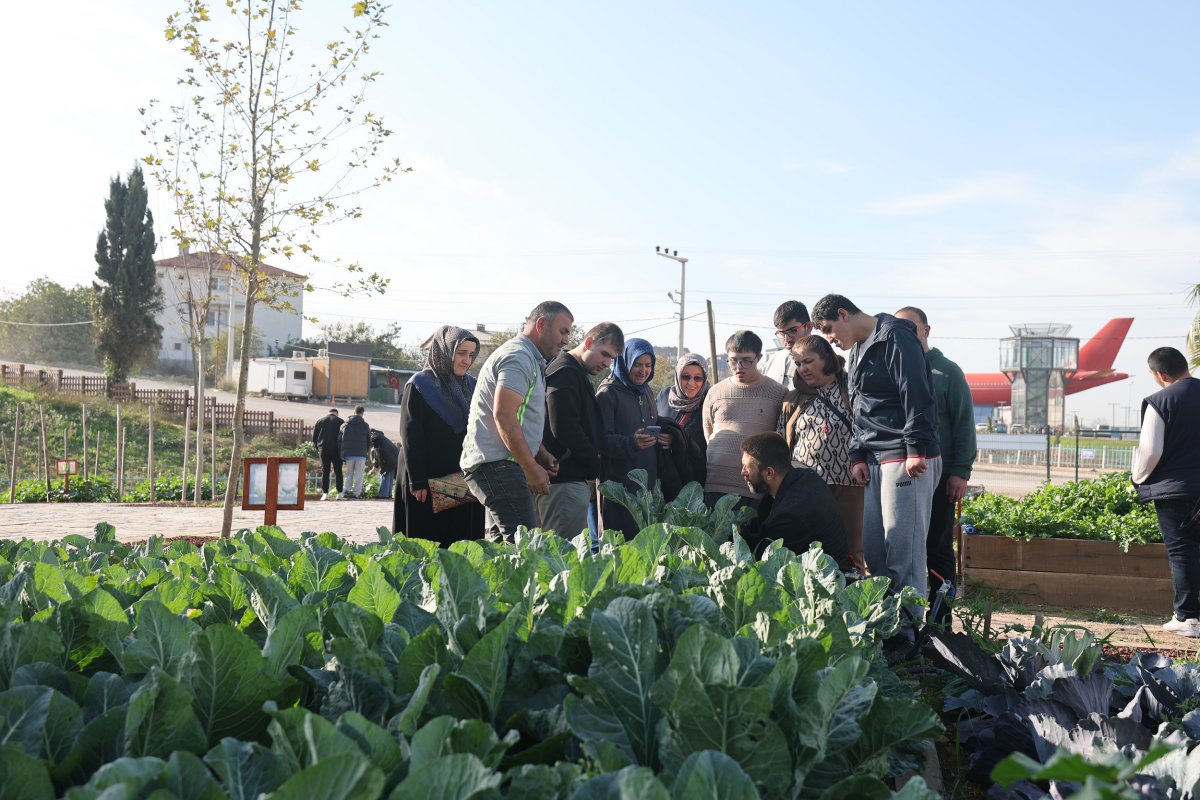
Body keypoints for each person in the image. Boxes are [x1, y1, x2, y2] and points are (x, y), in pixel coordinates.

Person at [811, 294, 941, 622]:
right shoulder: (857, 348)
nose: (829, 338)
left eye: (828, 328)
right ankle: (888, 629)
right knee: (876, 552)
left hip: (905, 456)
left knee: (904, 554)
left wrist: (915, 449)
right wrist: (857, 454)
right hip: (875, 458)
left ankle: (911, 635)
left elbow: (917, 393)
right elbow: (859, 405)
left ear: (844, 314)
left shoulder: (896, 336)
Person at [461, 301, 572, 538]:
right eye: (563, 331)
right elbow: (503, 414)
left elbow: (516, 416)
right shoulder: (518, 357)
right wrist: (530, 466)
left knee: (504, 551)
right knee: (525, 548)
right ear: (541, 324)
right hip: (499, 465)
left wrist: (539, 451)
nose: (566, 341)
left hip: (501, 465)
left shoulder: (529, 358)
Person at [895, 306, 977, 621]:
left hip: (940, 477)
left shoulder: (946, 371)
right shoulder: (894, 370)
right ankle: (906, 620)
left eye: (912, 329)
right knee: (904, 546)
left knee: (937, 545)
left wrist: (960, 473)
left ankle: (941, 622)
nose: (906, 337)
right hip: (901, 475)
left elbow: (963, 425)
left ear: (927, 331)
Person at [395, 325, 485, 545]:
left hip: (460, 479)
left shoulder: (472, 386)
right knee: (426, 543)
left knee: (460, 542)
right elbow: (410, 435)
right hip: (426, 482)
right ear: (445, 352)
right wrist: (417, 481)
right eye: (461, 353)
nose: (467, 360)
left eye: (471, 355)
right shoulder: (420, 385)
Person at [1132, 346, 1200, 637]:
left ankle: (1187, 618)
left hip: (1176, 491)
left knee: (1182, 551)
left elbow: (1150, 450)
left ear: (1159, 374)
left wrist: (1138, 478)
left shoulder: (1160, 401)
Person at [781, 334, 864, 570]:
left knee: (851, 550)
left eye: (808, 361)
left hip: (849, 486)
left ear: (826, 358)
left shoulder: (852, 388)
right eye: (798, 364)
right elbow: (781, 439)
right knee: (808, 549)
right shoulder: (793, 398)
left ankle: (855, 601)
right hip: (807, 488)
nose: (802, 368)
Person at [540, 322, 624, 539]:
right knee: (560, 560)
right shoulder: (565, 372)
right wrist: (594, 462)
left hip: (566, 480)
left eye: (611, 359)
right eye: (604, 354)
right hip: (563, 482)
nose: (606, 363)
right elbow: (564, 428)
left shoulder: (574, 372)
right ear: (588, 342)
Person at [740, 432, 851, 570]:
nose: (743, 472)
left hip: (826, 584)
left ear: (769, 473)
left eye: (748, 467)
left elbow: (769, 565)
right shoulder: (803, 475)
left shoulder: (790, 514)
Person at [702, 331, 786, 508]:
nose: (739, 366)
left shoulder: (777, 393)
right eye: (733, 360)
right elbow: (708, 433)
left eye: (746, 360)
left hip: (756, 490)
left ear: (759, 358)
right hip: (715, 485)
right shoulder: (715, 392)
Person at [596, 337, 663, 536]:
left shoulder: (646, 391)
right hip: (618, 486)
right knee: (619, 547)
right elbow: (602, 441)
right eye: (637, 364)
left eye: (648, 365)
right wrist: (631, 443)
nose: (643, 371)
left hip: (646, 485)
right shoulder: (608, 394)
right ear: (625, 362)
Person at [761, 300, 813, 387]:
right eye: (781, 333)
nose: (787, 339)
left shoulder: (826, 361)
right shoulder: (772, 361)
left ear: (809, 327)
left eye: (793, 331)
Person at [338, 405, 371, 499]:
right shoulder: (365, 425)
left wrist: (341, 452)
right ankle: (357, 494)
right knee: (359, 476)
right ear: (362, 413)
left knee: (349, 474)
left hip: (348, 454)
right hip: (361, 454)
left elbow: (339, 440)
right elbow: (369, 441)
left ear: (354, 412)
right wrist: (365, 451)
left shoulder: (345, 424)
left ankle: (346, 492)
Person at [312, 408, 343, 500]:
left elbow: (314, 438)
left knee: (325, 471)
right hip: (337, 449)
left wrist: (318, 448)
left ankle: (325, 493)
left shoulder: (320, 421)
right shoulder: (340, 421)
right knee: (338, 471)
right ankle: (340, 493)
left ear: (328, 413)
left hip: (323, 448)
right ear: (336, 414)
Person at [369, 429, 399, 500]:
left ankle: (383, 495)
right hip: (395, 457)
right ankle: (388, 494)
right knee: (390, 475)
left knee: (384, 474)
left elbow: (377, 453)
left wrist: (375, 467)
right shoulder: (381, 437)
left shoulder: (375, 438)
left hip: (388, 458)